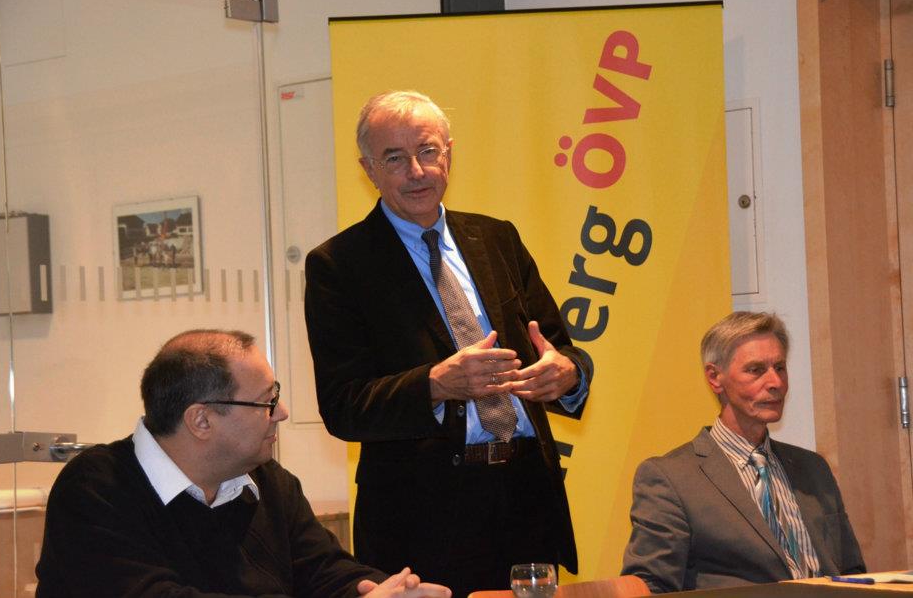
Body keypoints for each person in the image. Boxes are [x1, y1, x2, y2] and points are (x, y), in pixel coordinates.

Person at [304, 90, 592, 597]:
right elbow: (343, 407)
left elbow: (560, 347)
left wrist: (567, 373)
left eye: (427, 151)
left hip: (526, 499)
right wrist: (435, 384)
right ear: (368, 169)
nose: (417, 171)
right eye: (395, 158)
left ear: (449, 155)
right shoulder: (339, 265)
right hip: (423, 520)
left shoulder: (497, 238)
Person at [35, 329, 451, 598]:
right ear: (201, 420)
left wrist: (382, 590)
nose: (282, 413)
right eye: (267, 401)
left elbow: (323, 569)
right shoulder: (95, 488)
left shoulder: (268, 482)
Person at [621, 311, 865, 593]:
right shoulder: (671, 479)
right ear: (715, 378)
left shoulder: (813, 468)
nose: (775, 382)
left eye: (780, 367)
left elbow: (853, 573)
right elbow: (651, 586)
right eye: (756, 370)